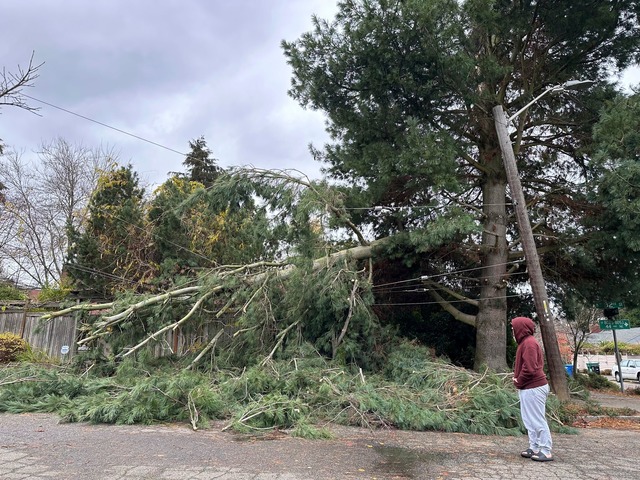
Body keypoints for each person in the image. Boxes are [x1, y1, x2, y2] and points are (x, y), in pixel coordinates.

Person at [511, 316, 553, 462]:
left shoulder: (529, 343)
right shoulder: (525, 343)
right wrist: (519, 382)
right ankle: (534, 448)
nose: (512, 330)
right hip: (529, 387)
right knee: (529, 420)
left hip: (534, 387)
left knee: (536, 419)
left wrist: (518, 381)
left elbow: (530, 369)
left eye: (513, 327)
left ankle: (546, 450)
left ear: (520, 328)